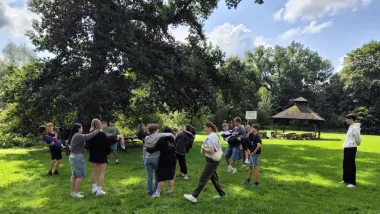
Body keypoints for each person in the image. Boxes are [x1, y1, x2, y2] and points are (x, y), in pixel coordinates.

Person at [184, 122, 225, 203]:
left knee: (203, 178)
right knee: (213, 177)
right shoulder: (214, 135)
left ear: (210, 128)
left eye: (205, 128)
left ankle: (194, 196)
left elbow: (211, 151)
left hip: (212, 161)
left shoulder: (211, 137)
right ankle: (221, 193)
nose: (204, 129)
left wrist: (203, 148)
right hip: (212, 160)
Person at [68, 123, 100, 198]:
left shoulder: (75, 135)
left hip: (73, 156)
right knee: (81, 176)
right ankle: (76, 193)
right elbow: (88, 136)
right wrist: (97, 130)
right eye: (81, 128)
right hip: (78, 157)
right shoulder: (78, 135)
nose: (82, 129)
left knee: (74, 175)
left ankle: (74, 191)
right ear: (78, 129)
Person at [144, 124, 174, 196]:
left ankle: (149, 191)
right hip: (156, 158)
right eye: (157, 129)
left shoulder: (146, 138)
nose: (158, 130)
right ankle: (155, 191)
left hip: (147, 158)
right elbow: (170, 134)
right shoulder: (158, 135)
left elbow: (146, 147)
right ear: (155, 130)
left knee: (149, 175)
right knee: (158, 176)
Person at [87, 119, 112, 195]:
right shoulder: (102, 134)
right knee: (101, 173)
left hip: (93, 154)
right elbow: (108, 145)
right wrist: (107, 152)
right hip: (102, 155)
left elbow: (88, 145)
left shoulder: (90, 134)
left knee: (94, 172)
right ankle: (99, 190)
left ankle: (94, 188)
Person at [341, 114, 361, 188]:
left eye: (347, 119)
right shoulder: (350, 126)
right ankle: (346, 180)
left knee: (351, 165)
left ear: (351, 119)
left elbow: (358, 138)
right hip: (347, 146)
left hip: (352, 147)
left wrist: (356, 144)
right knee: (345, 164)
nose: (346, 120)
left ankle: (353, 182)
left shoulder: (355, 127)